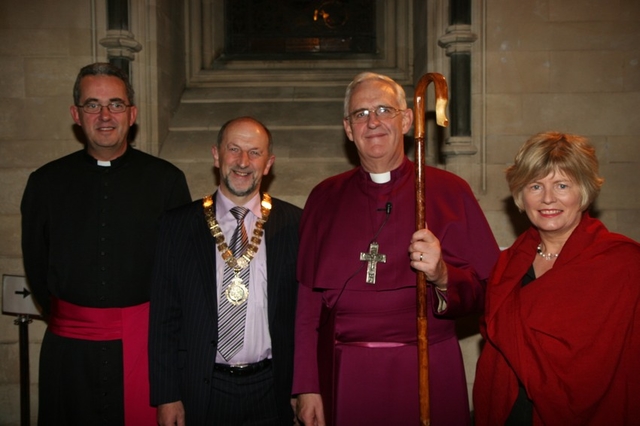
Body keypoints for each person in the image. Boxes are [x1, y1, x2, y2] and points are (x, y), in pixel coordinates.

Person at [292, 72, 499, 426]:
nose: (372, 122)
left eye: (384, 110)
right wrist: (306, 386)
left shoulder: (450, 191)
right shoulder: (324, 197)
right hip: (344, 370)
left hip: (427, 365)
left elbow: (490, 292)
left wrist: (443, 275)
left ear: (406, 120)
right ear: (347, 127)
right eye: (360, 114)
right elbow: (307, 305)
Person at [20, 62, 191, 425]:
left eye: (115, 104)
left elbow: (180, 275)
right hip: (69, 352)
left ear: (132, 113)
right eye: (92, 105)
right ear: (75, 114)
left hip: (143, 349)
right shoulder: (45, 183)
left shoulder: (166, 181)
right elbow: (36, 265)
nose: (104, 116)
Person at [473, 131, 640, 425]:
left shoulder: (623, 263)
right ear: (520, 195)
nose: (548, 198)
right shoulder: (507, 265)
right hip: (513, 411)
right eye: (535, 186)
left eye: (562, 185)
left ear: (584, 191)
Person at [149, 116, 302, 426]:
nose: (243, 162)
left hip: (272, 389)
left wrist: (306, 388)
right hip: (203, 390)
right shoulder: (177, 226)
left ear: (268, 163)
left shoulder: (296, 224)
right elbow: (164, 318)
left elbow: (306, 316)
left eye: (254, 152)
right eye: (234, 149)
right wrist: (167, 396)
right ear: (216, 155)